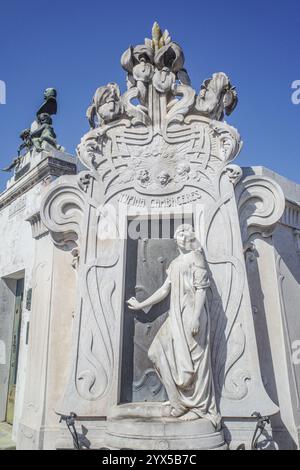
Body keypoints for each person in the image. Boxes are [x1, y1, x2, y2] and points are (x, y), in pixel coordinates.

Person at [127, 224, 220, 428]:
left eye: (186, 232)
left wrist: (196, 317)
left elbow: (201, 289)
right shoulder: (176, 262)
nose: (182, 236)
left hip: (191, 315)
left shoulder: (197, 256)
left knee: (194, 365)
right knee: (155, 352)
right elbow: (164, 289)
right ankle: (178, 401)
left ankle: (197, 407)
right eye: (179, 233)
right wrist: (141, 305)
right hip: (176, 316)